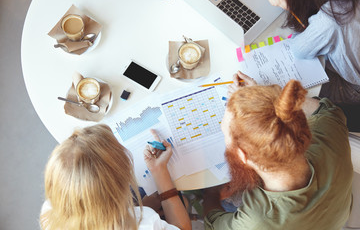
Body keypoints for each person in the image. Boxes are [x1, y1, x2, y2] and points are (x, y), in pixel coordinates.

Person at [203, 71, 353, 229]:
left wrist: (212, 195)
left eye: (226, 135)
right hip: (333, 216)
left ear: (242, 155)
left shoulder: (256, 221)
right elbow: (326, 109)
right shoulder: (331, 135)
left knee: (227, 202)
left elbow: (212, 226)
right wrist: (267, 101)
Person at [39, 124, 191, 230]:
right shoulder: (147, 223)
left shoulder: (49, 213)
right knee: (182, 201)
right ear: (117, 189)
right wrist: (159, 171)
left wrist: (141, 206)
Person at [265, 0, 360, 131]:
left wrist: (290, 7)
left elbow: (299, 49)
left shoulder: (331, 18)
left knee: (293, 95)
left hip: (353, 89)